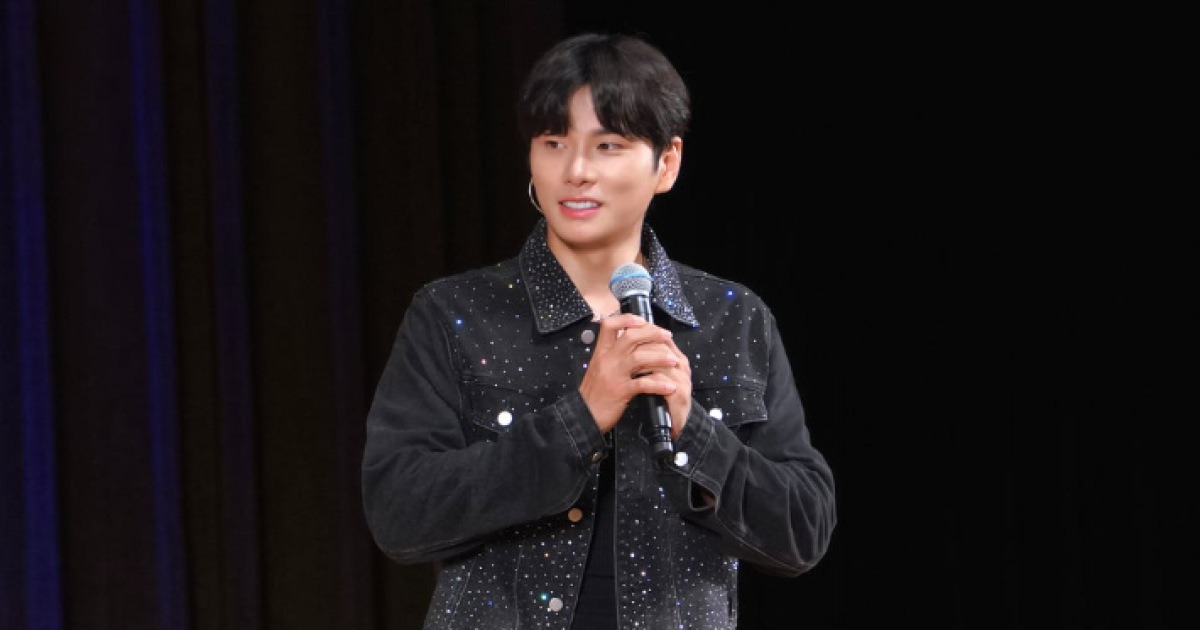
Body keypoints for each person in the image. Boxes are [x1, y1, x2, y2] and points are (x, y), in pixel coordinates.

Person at [362, 32, 836, 630]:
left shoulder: (733, 319)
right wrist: (579, 420)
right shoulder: (454, 312)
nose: (577, 171)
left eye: (608, 145)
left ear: (667, 163)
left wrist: (693, 430)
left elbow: (801, 532)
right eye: (554, 143)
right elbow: (399, 513)